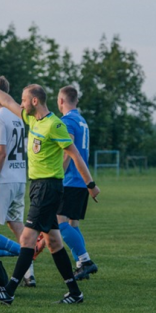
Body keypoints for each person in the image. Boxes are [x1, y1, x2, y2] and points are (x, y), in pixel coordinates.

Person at [0, 69, 100, 305]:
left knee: (28, 239)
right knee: (53, 242)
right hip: (37, 187)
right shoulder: (32, 119)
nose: (20, 103)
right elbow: (7, 100)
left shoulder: (55, 125)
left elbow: (75, 154)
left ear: (34, 101)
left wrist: (90, 184)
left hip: (48, 188)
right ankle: (74, 292)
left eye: (24, 99)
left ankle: (9, 291)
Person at [0, 76, 36, 286]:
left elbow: (1, 153)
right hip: (19, 179)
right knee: (18, 227)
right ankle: (28, 273)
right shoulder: (17, 117)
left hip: (2, 181)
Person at [56, 85, 98, 280]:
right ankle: (82, 265)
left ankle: (85, 260)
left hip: (71, 179)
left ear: (61, 101)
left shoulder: (67, 121)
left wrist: (58, 176)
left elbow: (67, 152)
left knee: (59, 222)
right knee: (73, 223)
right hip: (81, 180)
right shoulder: (82, 120)